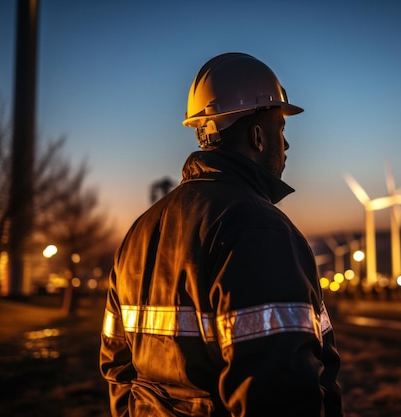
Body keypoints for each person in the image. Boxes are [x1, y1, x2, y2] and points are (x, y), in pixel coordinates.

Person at [99, 52, 343, 417]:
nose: (287, 146)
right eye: (281, 130)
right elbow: (278, 393)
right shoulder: (260, 230)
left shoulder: (140, 231)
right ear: (258, 136)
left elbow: (118, 369)